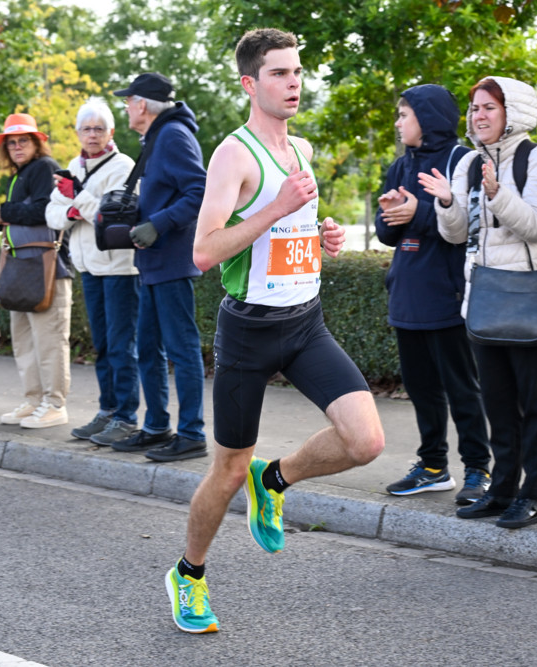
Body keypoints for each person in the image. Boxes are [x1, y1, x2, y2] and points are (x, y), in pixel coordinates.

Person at [163, 28, 385, 634]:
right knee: (227, 469)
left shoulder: (303, 149)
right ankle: (190, 574)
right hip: (249, 332)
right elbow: (204, 252)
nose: (293, 83)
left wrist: (320, 235)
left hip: (306, 323)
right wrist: (277, 209)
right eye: (279, 74)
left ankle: (277, 476)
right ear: (249, 84)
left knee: (365, 442)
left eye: (296, 72)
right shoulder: (232, 155)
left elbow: (287, 236)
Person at [420, 76, 537, 530]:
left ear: (513, 113)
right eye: (475, 109)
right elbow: (457, 234)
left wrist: (498, 194)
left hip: (534, 294)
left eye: (488, 108)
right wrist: (447, 201)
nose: (478, 116)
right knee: (499, 402)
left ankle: (535, 495)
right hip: (485, 295)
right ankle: (503, 489)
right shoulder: (468, 162)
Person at [375, 84, 491, 504]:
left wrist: (419, 212)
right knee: (421, 388)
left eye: (404, 114)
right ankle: (432, 466)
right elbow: (386, 233)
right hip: (407, 293)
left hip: (448, 295)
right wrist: (391, 211)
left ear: (428, 117)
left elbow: (469, 227)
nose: (398, 122)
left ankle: (478, 468)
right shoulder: (399, 166)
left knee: (462, 387)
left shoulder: (463, 161)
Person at [109, 72, 208, 462]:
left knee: (181, 350)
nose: (126, 107)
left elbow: (199, 190)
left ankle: (192, 433)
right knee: (148, 349)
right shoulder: (158, 136)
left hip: (170, 261)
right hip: (153, 262)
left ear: (142, 105)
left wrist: (158, 224)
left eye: (128, 100)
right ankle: (156, 427)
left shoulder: (173, 136)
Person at [46, 97, 140, 445]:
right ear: (77, 133)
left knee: (121, 345)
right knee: (102, 345)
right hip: (89, 267)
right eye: (86, 129)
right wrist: (73, 210)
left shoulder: (123, 166)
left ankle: (126, 416)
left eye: (99, 128)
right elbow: (52, 213)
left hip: (119, 268)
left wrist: (78, 199)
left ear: (111, 132)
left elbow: (113, 214)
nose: (93, 135)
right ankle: (107, 410)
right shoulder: (74, 165)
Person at [0, 113, 72, 429]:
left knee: (49, 340)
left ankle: (54, 404)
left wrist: (4, 212)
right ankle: (34, 400)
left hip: (46, 267)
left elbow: (43, 209)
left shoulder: (45, 167)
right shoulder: (20, 174)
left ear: (36, 142)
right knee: (24, 340)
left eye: (23, 140)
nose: (16, 146)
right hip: (23, 267)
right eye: (11, 142)